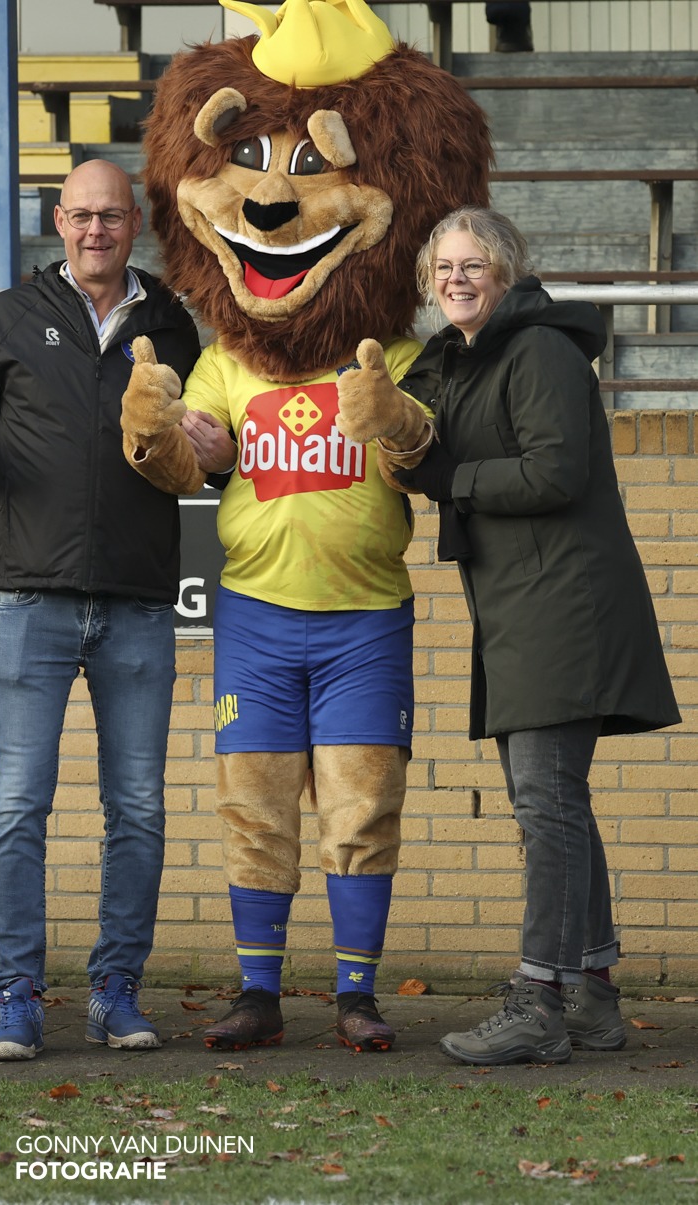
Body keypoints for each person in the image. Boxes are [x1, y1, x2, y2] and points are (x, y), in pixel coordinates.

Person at [339, 206, 681, 1066]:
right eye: (442, 268)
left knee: (545, 806)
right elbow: (422, 446)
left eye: (472, 264)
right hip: (515, 602)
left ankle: (538, 997)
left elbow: (554, 470)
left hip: (564, 600)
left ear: (506, 269)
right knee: (557, 804)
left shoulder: (538, 351)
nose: (456, 278)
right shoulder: (457, 359)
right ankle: (594, 995)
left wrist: (454, 479)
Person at [0, 159, 202, 1061]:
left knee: (140, 809)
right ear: (56, 219)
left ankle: (117, 991)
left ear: (135, 222)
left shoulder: (170, 321)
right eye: (78, 216)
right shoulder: (10, 314)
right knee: (15, 808)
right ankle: (17, 999)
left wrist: (209, 443)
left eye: (109, 216)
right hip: (31, 598)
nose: (93, 230)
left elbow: (209, 449)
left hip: (138, 599)